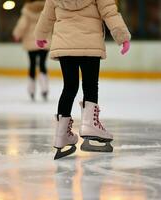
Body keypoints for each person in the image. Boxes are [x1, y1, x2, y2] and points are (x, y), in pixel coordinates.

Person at [34, 0, 131, 159]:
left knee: (70, 87)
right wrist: (122, 37)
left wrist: (40, 35)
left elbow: (47, 16)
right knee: (90, 85)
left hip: (65, 44)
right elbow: (109, 12)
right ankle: (89, 125)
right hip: (90, 43)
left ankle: (61, 134)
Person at [13, 0, 49, 101]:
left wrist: (16, 35)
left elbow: (22, 25)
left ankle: (32, 90)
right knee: (42, 64)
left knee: (32, 65)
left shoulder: (27, 10)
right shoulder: (46, 8)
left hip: (30, 42)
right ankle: (44, 88)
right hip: (43, 40)